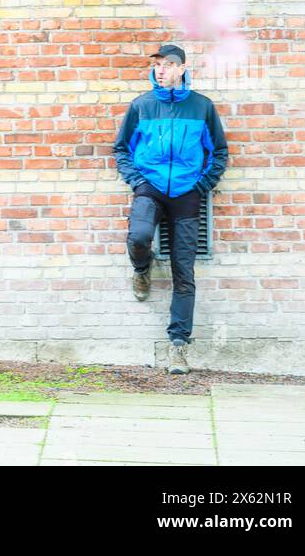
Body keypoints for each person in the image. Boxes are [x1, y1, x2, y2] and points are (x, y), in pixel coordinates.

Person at [112, 42, 229, 375]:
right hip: (149, 187)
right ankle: (141, 269)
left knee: (184, 272)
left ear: (181, 69)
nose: (159, 69)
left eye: (167, 64)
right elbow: (121, 149)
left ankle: (179, 347)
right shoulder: (142, 106)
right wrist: (137, 181)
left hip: (187, 194)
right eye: (156, 65)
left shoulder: (202, 107)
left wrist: (202, 184)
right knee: (139, 236)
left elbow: (219, 151)